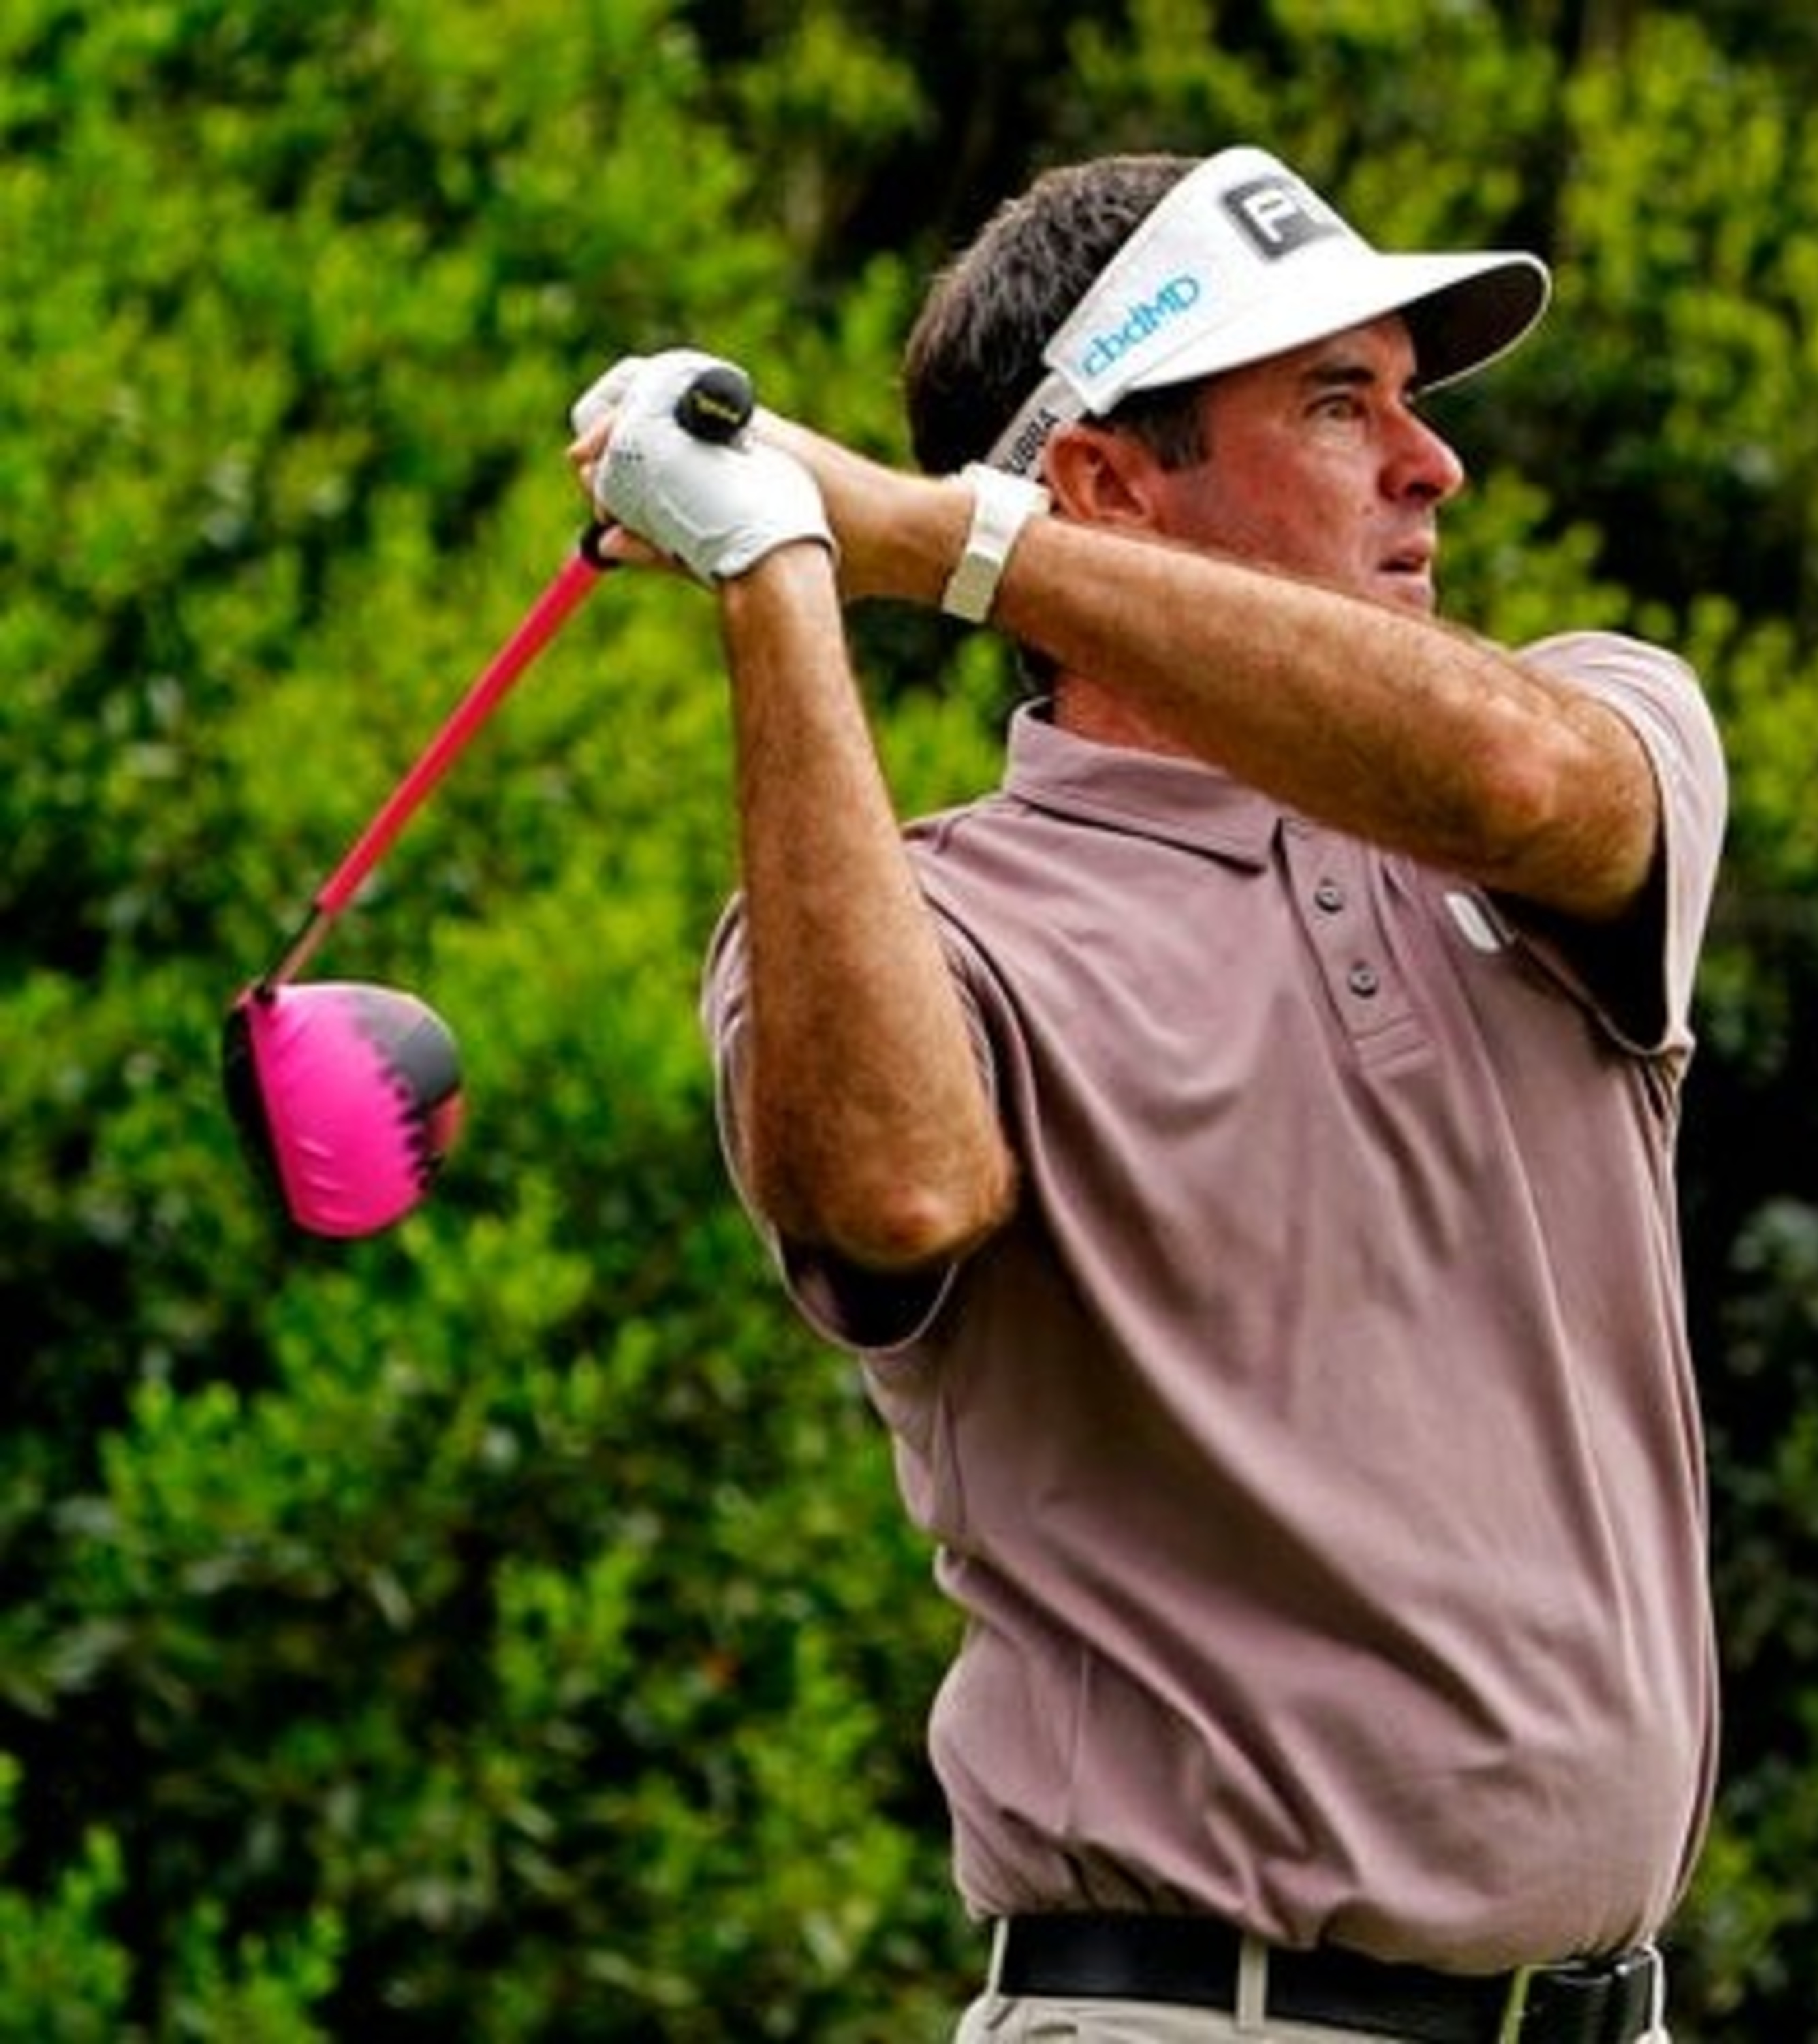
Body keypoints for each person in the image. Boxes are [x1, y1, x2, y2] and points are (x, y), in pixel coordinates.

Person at [570, 143, 1725, 2044]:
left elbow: (1526, 789)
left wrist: (929, 539)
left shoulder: (1579, 729)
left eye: (1407, 399)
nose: (1432, 464)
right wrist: (778, 569)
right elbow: (895, 1192)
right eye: (1339, 403)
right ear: (1106, 486)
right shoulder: (926, 918)